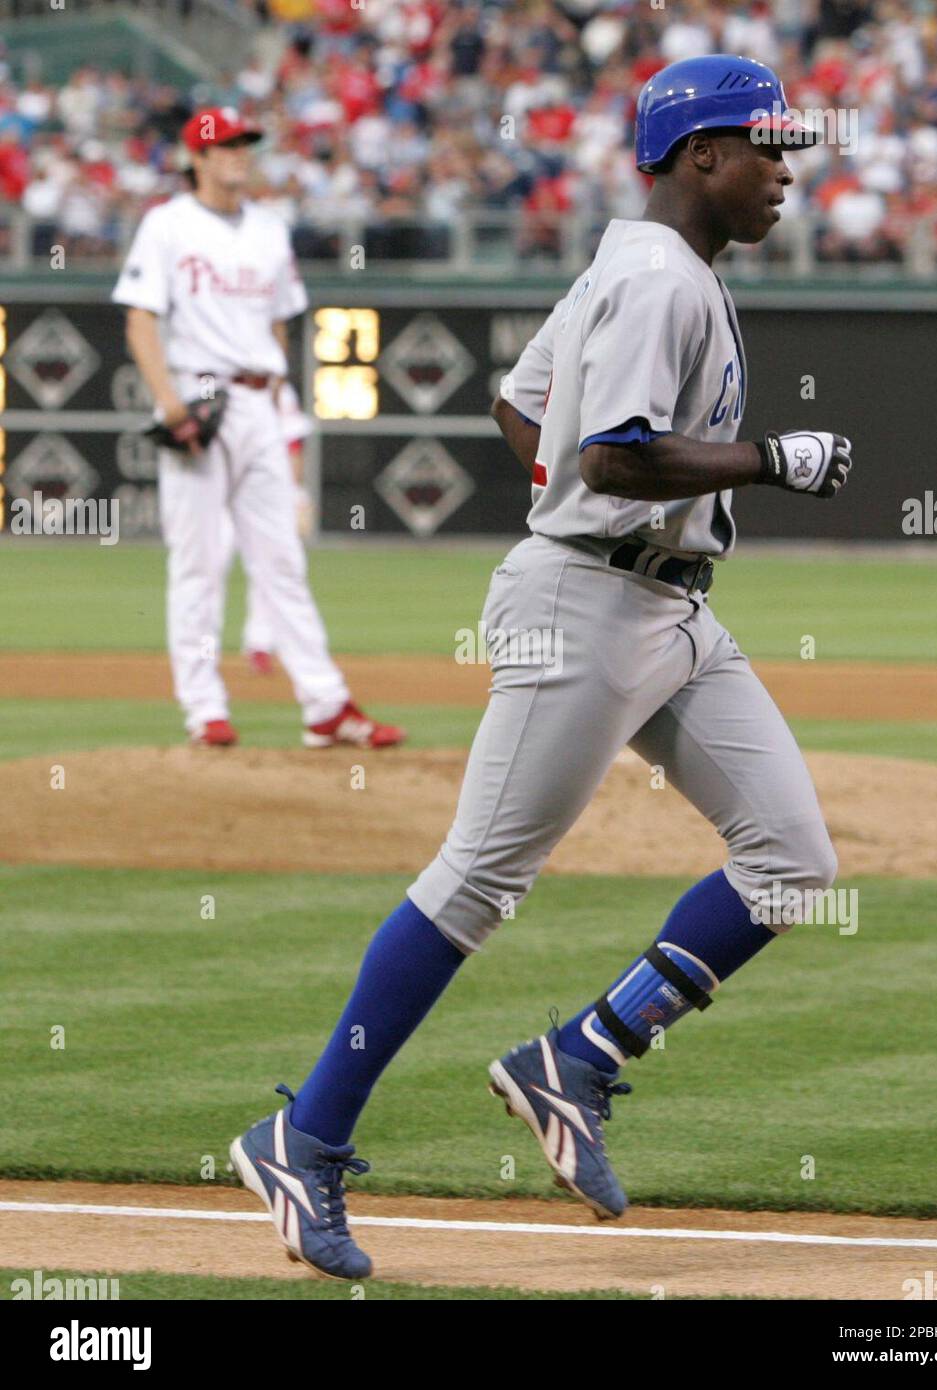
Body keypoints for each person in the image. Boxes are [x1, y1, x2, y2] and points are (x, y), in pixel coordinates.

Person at [230, 56, 853, 1281]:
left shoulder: (645, 264)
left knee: (793, 861)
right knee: (477, 881)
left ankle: (581, 1055)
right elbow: (612, 460)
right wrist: (768, 460)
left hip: (667, 609)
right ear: (698, 156)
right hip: (584, 602)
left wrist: (578, 478)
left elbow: (524, 412)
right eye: (765, 147)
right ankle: (302, 1135)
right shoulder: (659, 280)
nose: (787, 170)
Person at [112, 106, 404, 750]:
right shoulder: (167, 225)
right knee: (199, 562)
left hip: (257, 401)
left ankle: (325, 706)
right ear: (197, 158)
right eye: (227, 146)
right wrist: (168, 403)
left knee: (282, 561)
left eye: (246, 143)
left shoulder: (270, 229)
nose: (240, 153)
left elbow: (278, 321)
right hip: (198, 394)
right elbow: (140, 319)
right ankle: (203, 708)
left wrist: (277, 400)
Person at [218, 381, 315, 677]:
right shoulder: (205, 380)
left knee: (272, 566)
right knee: (210, 566)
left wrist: (294, 491)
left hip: (262, 495)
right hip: (216, 492)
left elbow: (293, 444)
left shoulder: (278, 390)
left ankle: (259, 644)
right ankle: (200, 652)